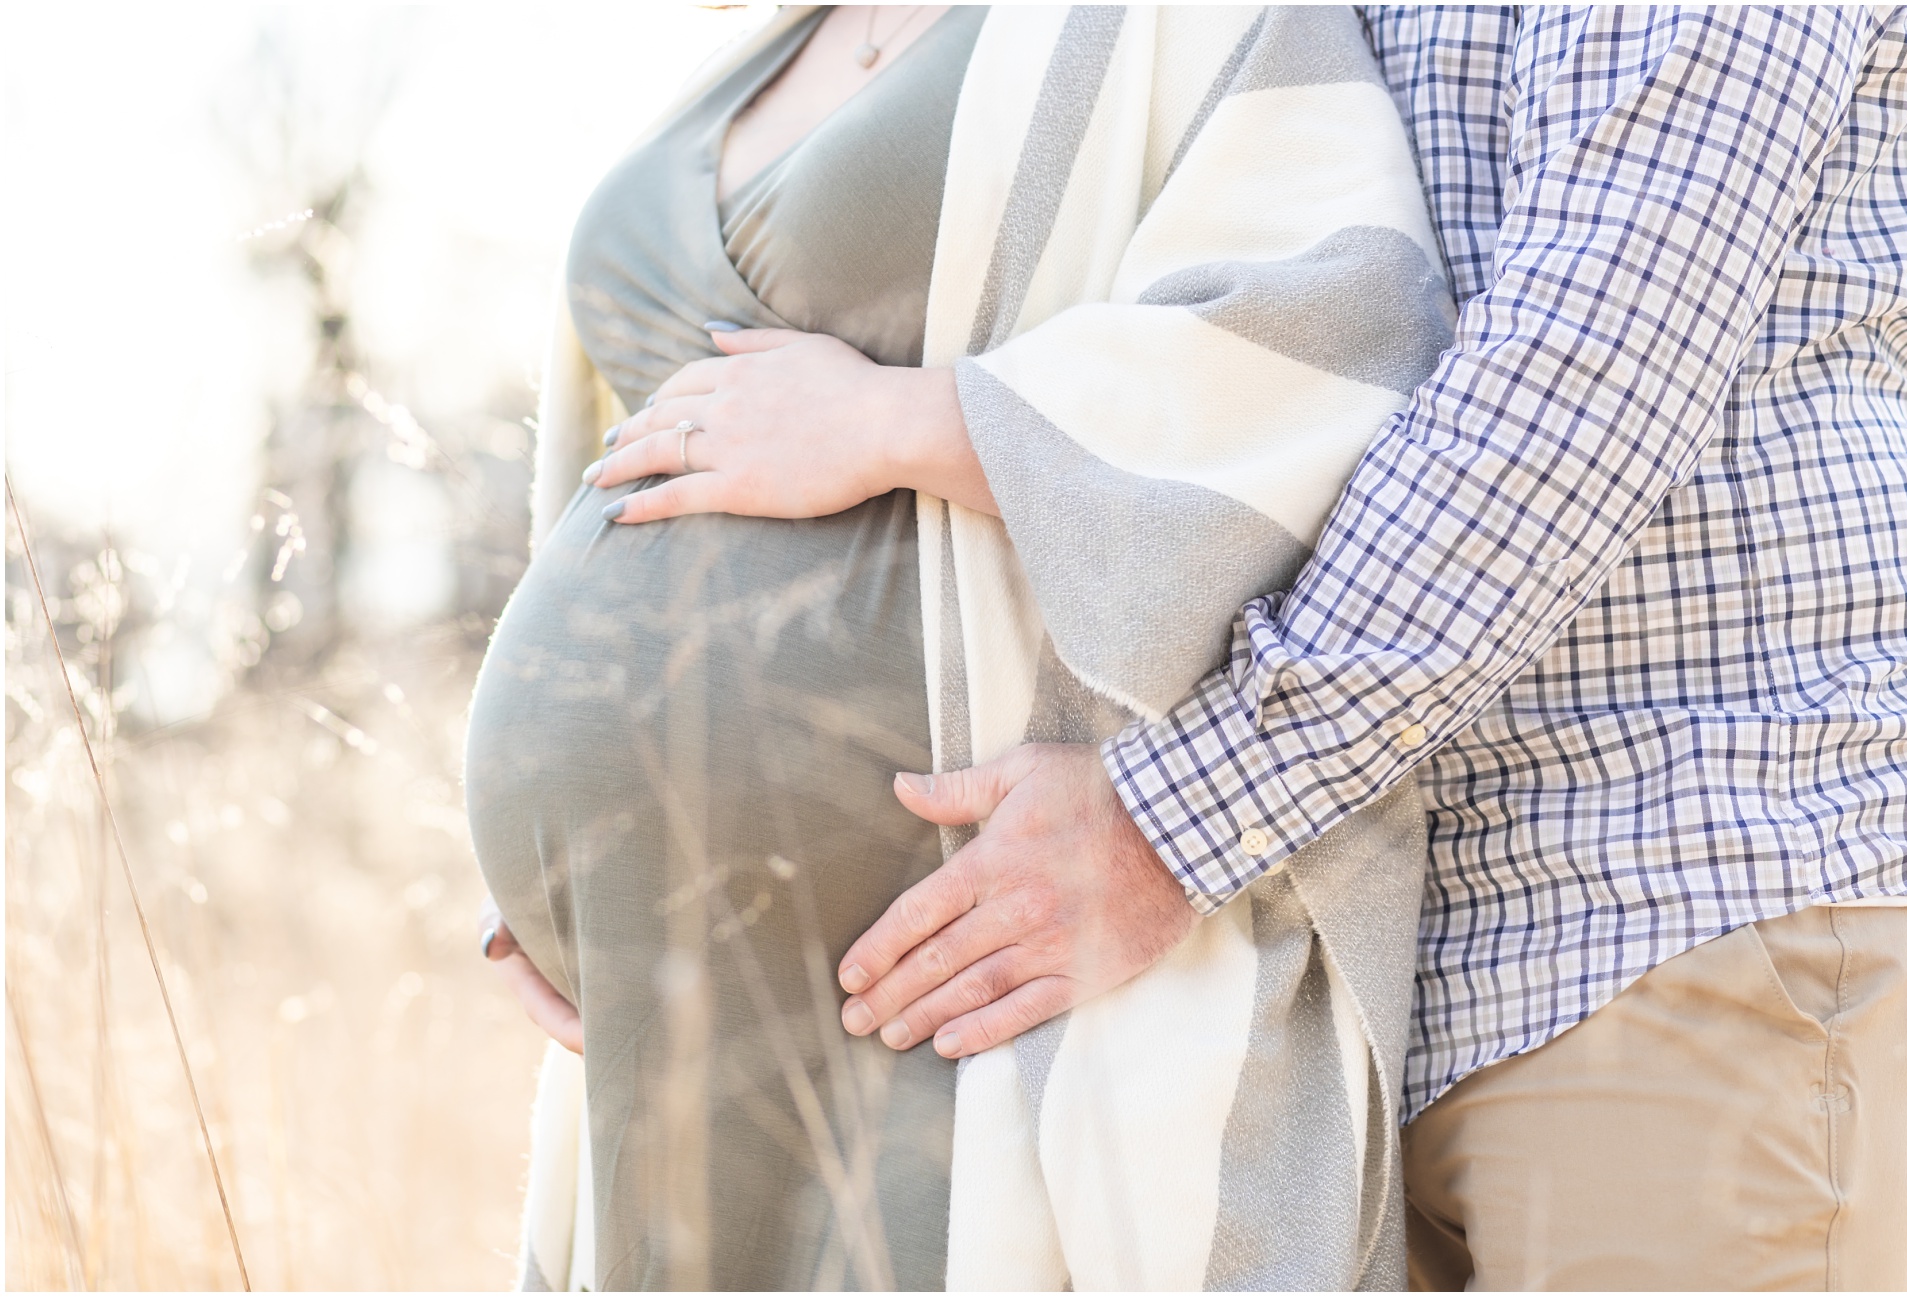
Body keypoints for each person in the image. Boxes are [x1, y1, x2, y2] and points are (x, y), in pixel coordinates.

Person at [823, 5, 1907, 1291]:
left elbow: (1578, 384)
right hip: (1334, 955)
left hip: (1675, 882)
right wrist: (589, 861)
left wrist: (1173, 820)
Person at [469, 5, 1453, 1290]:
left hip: (968, 972)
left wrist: (901, 420)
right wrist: (557, 849)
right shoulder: (770, 42)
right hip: (675, 1005)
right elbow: (640, 460)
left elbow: (1343, 337)